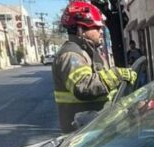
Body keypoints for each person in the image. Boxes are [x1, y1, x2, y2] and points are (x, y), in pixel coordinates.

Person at [52, 1, 137, 133]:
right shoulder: (71, 55)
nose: (100, 32)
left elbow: (106, 90)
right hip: (82, 136)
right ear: (81, 30)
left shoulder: (88, 53)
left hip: (95, 131)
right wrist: (117, 75)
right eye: (96, 28)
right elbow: (83, 86)